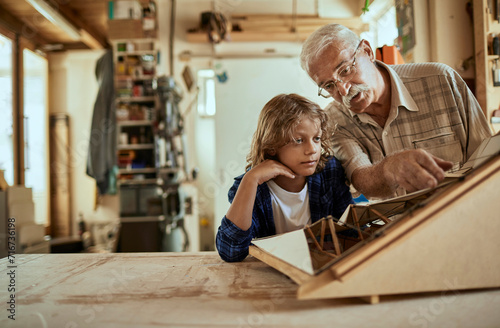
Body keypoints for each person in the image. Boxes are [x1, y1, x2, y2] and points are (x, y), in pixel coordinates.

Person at [300, 24, 492, 200]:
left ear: (367, 51)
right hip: (399, 230)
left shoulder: (441, 80)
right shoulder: (333, 120)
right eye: (329, 85)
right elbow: (359, 176)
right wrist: (388, 170)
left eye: (345, 71)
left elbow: (487, 158)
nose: (342, 90)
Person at [216, 93, 354, 262]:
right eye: (298, 140)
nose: (312, 149)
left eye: (316, 138)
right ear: (272, 145)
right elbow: (231, 252)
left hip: (322, 272)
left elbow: (351, 231)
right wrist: (250, 180)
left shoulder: (329, 171)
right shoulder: (251, 187)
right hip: (271, 278)